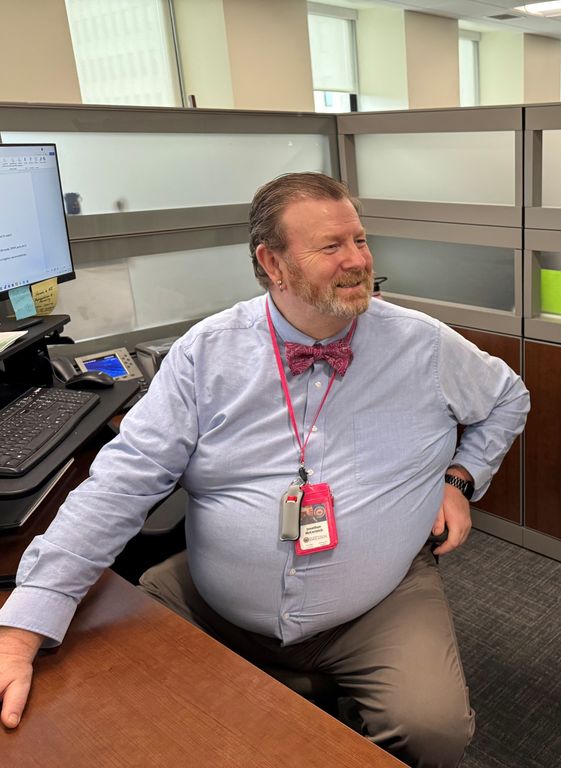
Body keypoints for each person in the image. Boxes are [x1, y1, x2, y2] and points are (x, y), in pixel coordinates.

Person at [0, 172, 530, 768]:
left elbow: (508, 398)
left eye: (360, 240)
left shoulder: (424, 345)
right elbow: (123, 481)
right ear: (272, 262)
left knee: (433, 733)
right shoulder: (207, 352)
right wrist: (24, 624)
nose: (358, 261)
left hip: (377, 601)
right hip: (215, 599)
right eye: (332, 247)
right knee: (120, 705)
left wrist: (460, 479)